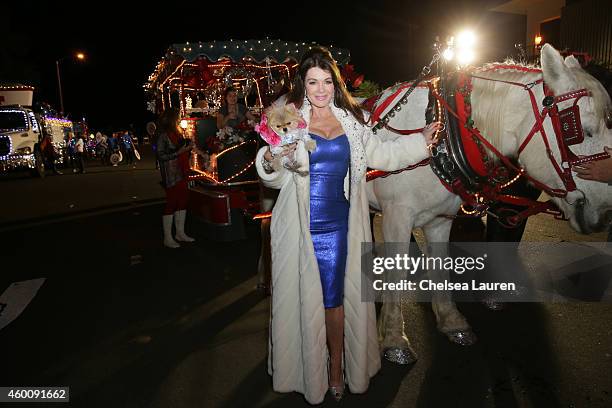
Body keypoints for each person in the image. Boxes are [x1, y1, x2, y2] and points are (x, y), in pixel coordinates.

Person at [256, 46, 439, 404]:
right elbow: (273, 179)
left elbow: (384, 154)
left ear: (335, 84)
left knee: (336, 300)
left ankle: (337, 368)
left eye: (326, 81)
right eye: (313, 82)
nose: (320, 89)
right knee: (306, 300)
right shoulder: (290, 119)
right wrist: (275, 157)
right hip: (301, 226)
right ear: (303, 84)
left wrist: (421, 140)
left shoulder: (352, 123)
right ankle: (311, 369)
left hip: (341, 227)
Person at [156, 108, 204, 248]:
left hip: (183, 170)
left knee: (183, 200)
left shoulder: (177, 132)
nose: (180, 118)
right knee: (172, 202)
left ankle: (180, 233)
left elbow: (182, 148)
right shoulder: (163, 135)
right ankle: (168, 237)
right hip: (172, 173)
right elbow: (161, 155)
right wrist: (180, 151)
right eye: (178, 116)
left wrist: (188, 148)